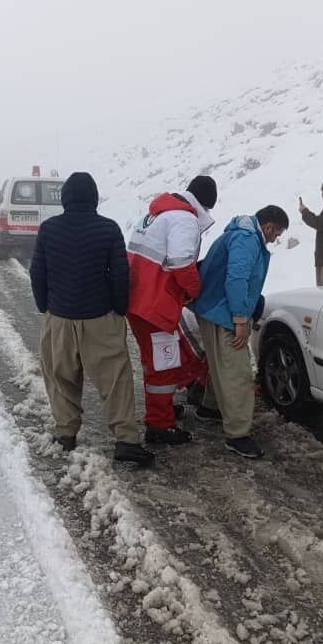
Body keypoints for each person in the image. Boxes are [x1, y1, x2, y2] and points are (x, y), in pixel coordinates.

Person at [29, 172, 155, 467]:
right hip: (100, 318)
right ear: (94, 198)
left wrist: (45, 307)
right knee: (115, 380)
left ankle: (65, 433)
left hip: (59, 317)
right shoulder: (108, 228)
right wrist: (119, 309)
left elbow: (38, 272)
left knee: (60, 377)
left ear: (65, 199)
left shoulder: (48, 229)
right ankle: (125, 440)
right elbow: (120, 274)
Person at [191, 205, 289, 459]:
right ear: (268, 226)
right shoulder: (247, 239)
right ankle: (238, 435)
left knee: (220, 362)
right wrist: (240, 319)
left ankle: (210, 408)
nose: (275, 238)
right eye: (276, 233)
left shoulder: (240, 233)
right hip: (222, 311)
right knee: (238, 372)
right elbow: (237, 278)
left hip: (210, 307)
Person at [126, 175, 217, 445]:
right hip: (156, 305)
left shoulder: (156, 214)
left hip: (138, 301)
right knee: (164, 364)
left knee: (154, 361)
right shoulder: (184, 219)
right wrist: (195, 291)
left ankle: (161, 408)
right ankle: (159, 425)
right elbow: (181, 264)